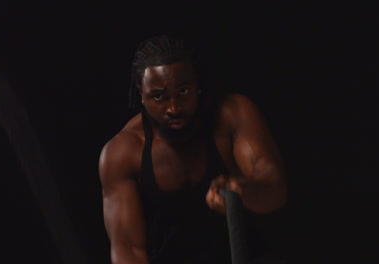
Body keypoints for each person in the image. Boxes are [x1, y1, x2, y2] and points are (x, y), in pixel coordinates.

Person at [99, 35, 287, 264]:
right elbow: (128, 252)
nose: (173, 107)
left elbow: (275, 191)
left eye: (184, 92)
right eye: (159, 96)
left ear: (197, 84)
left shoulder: (232, 114)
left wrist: (243, 191)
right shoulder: (122, 153)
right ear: (141, 92)